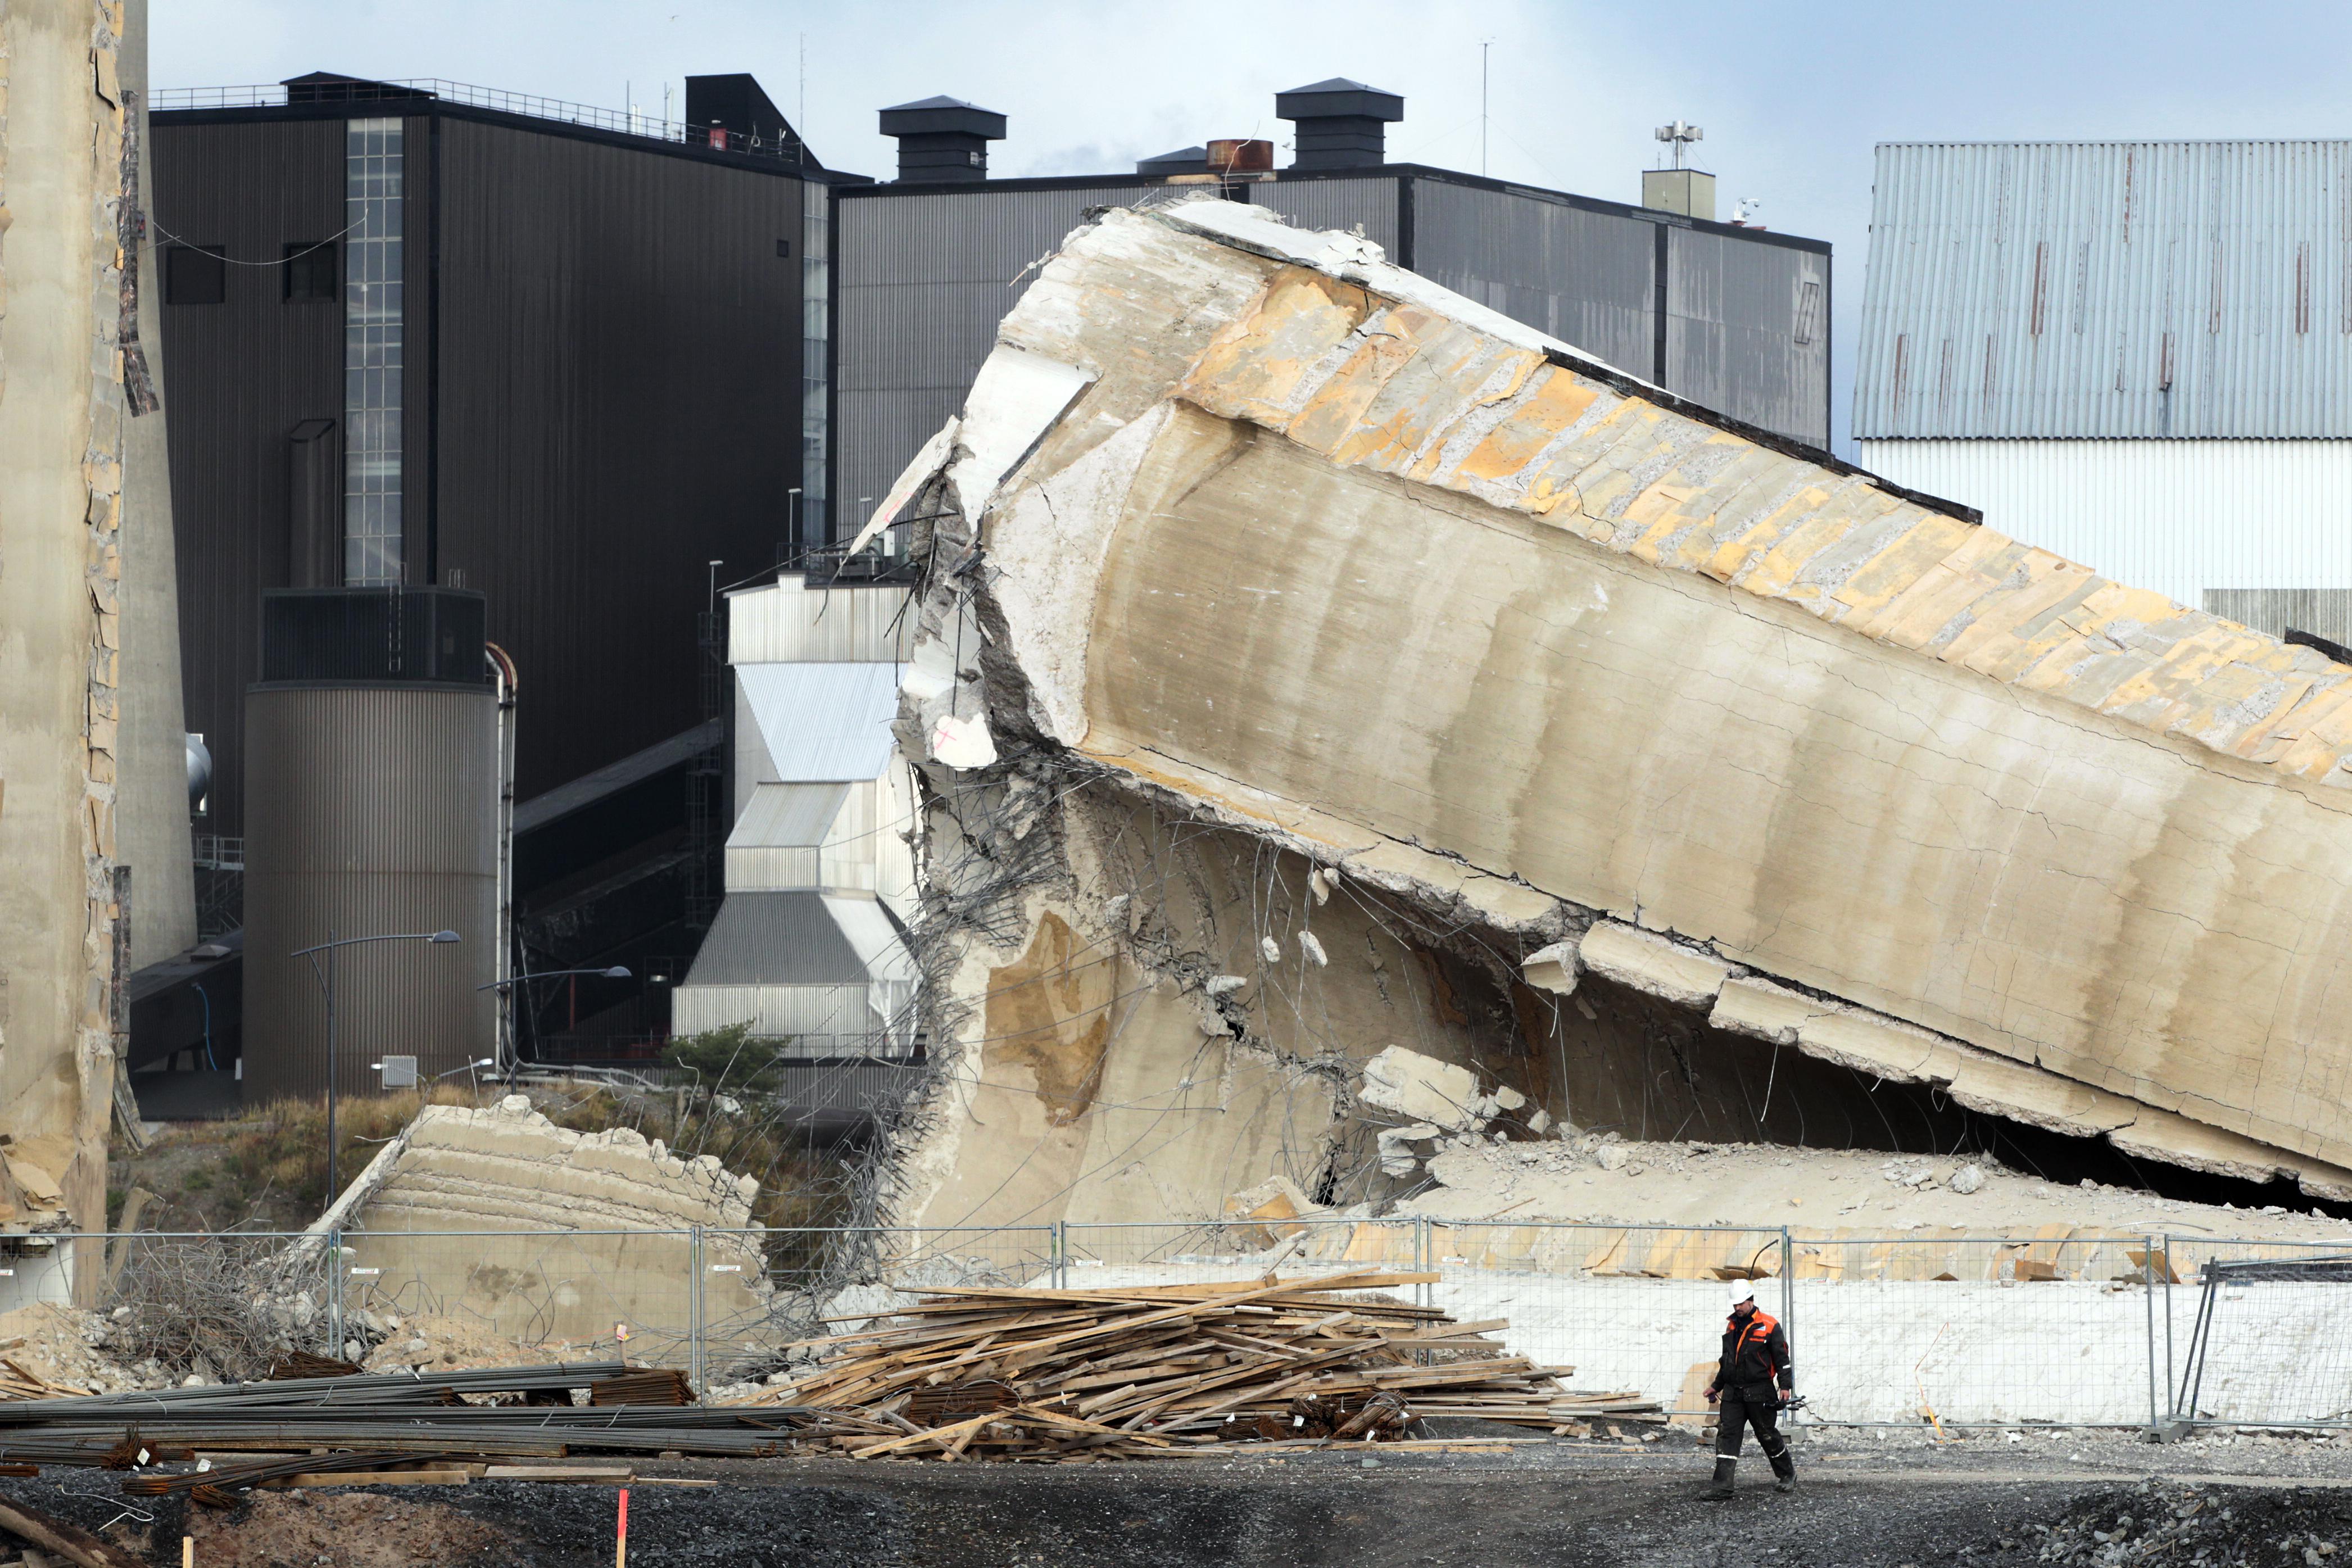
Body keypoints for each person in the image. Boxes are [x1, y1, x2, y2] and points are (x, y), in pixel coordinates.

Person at [1701, 1278, 1794, 1499]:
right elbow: (1728, 1360)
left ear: (1751, 1300)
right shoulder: (1732, 1325)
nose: (1737, 1308)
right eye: (1734, 1305)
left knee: (1767, 1435)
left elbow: (1782, 1360)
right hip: (1733, 1393)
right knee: (1727, 1436)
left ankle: (1788, 1475)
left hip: (1760, 1392)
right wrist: (1716, 1386)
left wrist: (1785, 1386)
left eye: (1741, 1304)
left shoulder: (1770, 1325)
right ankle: (1722, 1486)